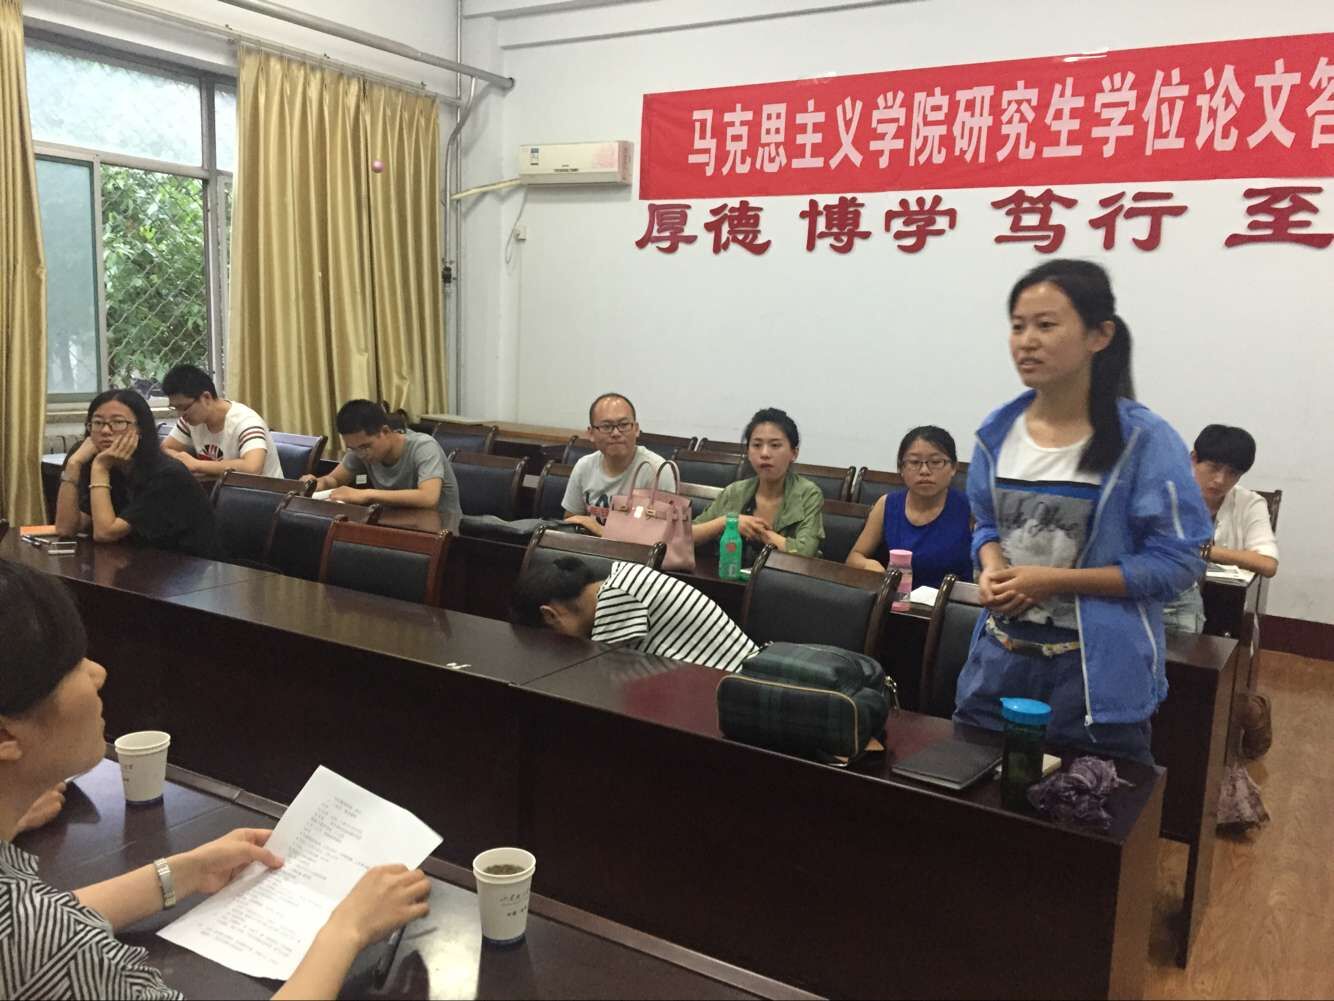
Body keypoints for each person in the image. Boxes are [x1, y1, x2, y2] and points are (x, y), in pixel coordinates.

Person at [0, 561, 430, 1000]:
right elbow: (39, 940)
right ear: (6, 736)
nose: (97, 674)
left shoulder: (29, 927)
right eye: (72, 666)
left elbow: (44, 923)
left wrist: (182, 874)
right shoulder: (46, 947)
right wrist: (346, 930)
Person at [953, 260, 1211, 765]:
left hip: (1095, 681)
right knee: (974, 800)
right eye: (1018, 326)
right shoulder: (997, 433)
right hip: (999, 664)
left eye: (1046, 325)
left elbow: (1178, 562)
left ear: (1099, 335)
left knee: (1091, 805)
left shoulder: (1144, 441)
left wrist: (1055, 581)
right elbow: (986, 525)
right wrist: (991, 566)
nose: (1027, 341)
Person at [511, 557, 758, 672]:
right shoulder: (616, 582)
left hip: (738, 688)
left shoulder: (617, 598)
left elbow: (602, 685)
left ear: (550, 616)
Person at [55, 390, 220, 558]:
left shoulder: (167, 475)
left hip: (188, 566)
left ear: (140, 429)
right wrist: (73, 465)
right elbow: (65, 529)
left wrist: (100, 468)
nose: (105, 430)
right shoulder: (101, 462)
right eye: (97, 423)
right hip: (137, 560)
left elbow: (105, 533)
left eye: (118, 422)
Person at [1163, 424, 1280, 634]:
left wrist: (1203, 551)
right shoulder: (1166, 493)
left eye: (1232, 473)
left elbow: (1268, 564)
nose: (1220, 480)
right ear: (1193, 459)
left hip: (1224, 604)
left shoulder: (1249, 503)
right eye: (1214, 467)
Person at [845, 426, 972, 587]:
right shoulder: (887, 504)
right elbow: (854, 557)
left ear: (954, 467)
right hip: (896, 599)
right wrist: (868, 565)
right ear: (901, 468)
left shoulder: (971, 510)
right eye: (914, 462)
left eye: (936, 462)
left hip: (951, 601)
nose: (924, 471)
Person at [693, 408, 824, 564]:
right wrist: (727, 522)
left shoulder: (808, 494)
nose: (764, 453)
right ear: (748, 452)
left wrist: (760, 532)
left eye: (775, 445)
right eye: (756, 445)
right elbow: (687, 536)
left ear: (794, 453)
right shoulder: (735, 491)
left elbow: (805, 553)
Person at [304, 400, 462, 518]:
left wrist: (366, 494)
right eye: (353, 448)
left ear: (385, 431)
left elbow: (428, 498)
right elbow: (334, 480)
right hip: (395, 523)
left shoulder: (423, 446)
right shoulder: (360, 449)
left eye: (365, 446)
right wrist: (318, 483)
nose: (361, 454)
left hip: (441, 530)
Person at [562, 393, 677, 535]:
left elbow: (661, 535)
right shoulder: (584, 466)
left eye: (624, 425)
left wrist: (601, 531)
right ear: (591, 433)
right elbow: (571, 520)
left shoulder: (656, 470)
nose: (616, 433)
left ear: (636, 429)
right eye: (606, 426)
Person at [160, 364, 284, 479]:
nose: (180, 415)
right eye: (175, 408)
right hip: (221, 490)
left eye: (183, 407)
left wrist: (197, 465)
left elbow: (253, 468)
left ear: (206, 398)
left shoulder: (246, 421)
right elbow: (166, 447)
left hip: (262, 493)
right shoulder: (191, 420)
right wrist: (180, 459)